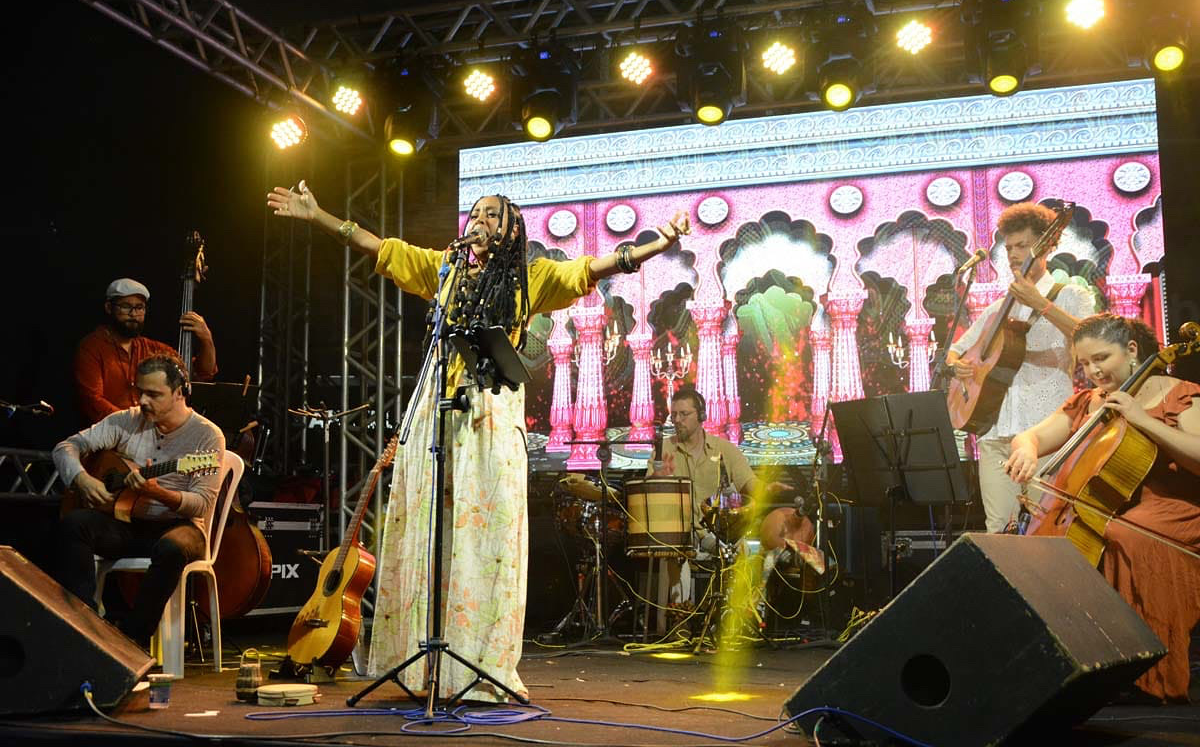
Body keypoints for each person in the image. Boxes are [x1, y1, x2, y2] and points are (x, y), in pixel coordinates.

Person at [266, 180, 689, 702]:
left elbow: (593, 268)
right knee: (431, 531)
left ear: (510, 231)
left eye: (492, 214)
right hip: (436, 410)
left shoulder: (531, 277)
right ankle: (424, 664)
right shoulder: (444, 270)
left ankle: (477, 663)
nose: (480, 220)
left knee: (480, 537)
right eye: (476, 213)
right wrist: (319, 215)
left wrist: (658, 244)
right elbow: (380, 248)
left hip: (489, 412)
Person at [1004, 313, 1200, 703]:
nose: (1093, 371)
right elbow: (1032, 436)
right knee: (1040, 548)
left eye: (1101, 358)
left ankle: (1142, 671)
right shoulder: (1090, 402)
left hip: (1173, 511)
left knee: (1124, 533)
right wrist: (1025, 450)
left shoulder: (1179, 394)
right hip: (1112, 510)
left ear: (1132, 350)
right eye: (1084, 363)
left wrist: (1142, 419)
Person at [52, 353, 225, 646]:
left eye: (154, 394)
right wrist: (82, 479)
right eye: (140, 391)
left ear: (179, 393)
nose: (143, 401)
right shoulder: (127, 420)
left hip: (181, 526)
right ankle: (86, 628)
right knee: (74, 525)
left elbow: (201, 504)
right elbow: (65, 447)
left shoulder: (207, 436)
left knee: (172, 548)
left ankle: (132, 641)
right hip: (128, 522)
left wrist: (157, 492)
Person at [945, 202, 1095, 532]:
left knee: (1048, 526)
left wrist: (1040, 303)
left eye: (1022, 246)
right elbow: (954, 352)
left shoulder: (1070, 295)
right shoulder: (998, 308)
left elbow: (1092, 338)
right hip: (996, 431)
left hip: (1045, 432)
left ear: (1047, 245)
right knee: (1000, 529)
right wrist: (958, 367)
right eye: (1009, 247)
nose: (1013, 254)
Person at [648, 387, 757, 621]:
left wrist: (769, 490)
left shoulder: (724, 449)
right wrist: (659, 476)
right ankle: (680, 624)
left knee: (746, 551)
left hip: (716, 531)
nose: (677, 420)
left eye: (684, 414)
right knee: (676, 553)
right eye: (674, 415)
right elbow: (649, 493)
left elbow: (750, 485)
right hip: (680, 533)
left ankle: (738, 620)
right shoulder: (663, 448)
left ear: (701, 416)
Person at [74, 278, 218, 425]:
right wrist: (135, 425)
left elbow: (201, 373)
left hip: (150, 431)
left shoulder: (153, 349)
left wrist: (207, 339)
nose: (133, 314)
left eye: (139, 307)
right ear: (109, 308)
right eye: (126, 306)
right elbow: (92, 400)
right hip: (110, 432)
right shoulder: (91, 347)